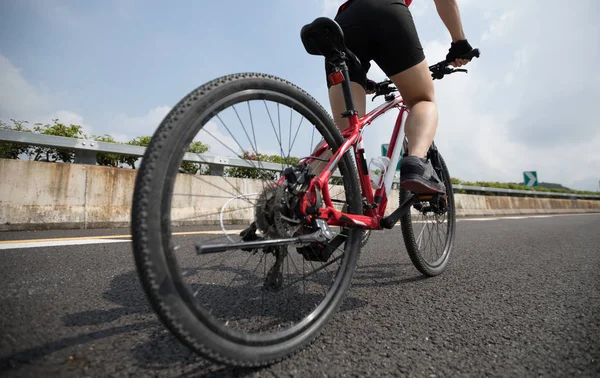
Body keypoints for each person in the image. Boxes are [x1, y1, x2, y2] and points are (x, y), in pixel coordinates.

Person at [324, 0, 475, 194]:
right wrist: (459, 42)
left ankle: (301, 185)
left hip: (342, 25)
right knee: (421, 100)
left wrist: (362, 78)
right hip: (386, 9)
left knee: (344, 132)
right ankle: (416, 162)